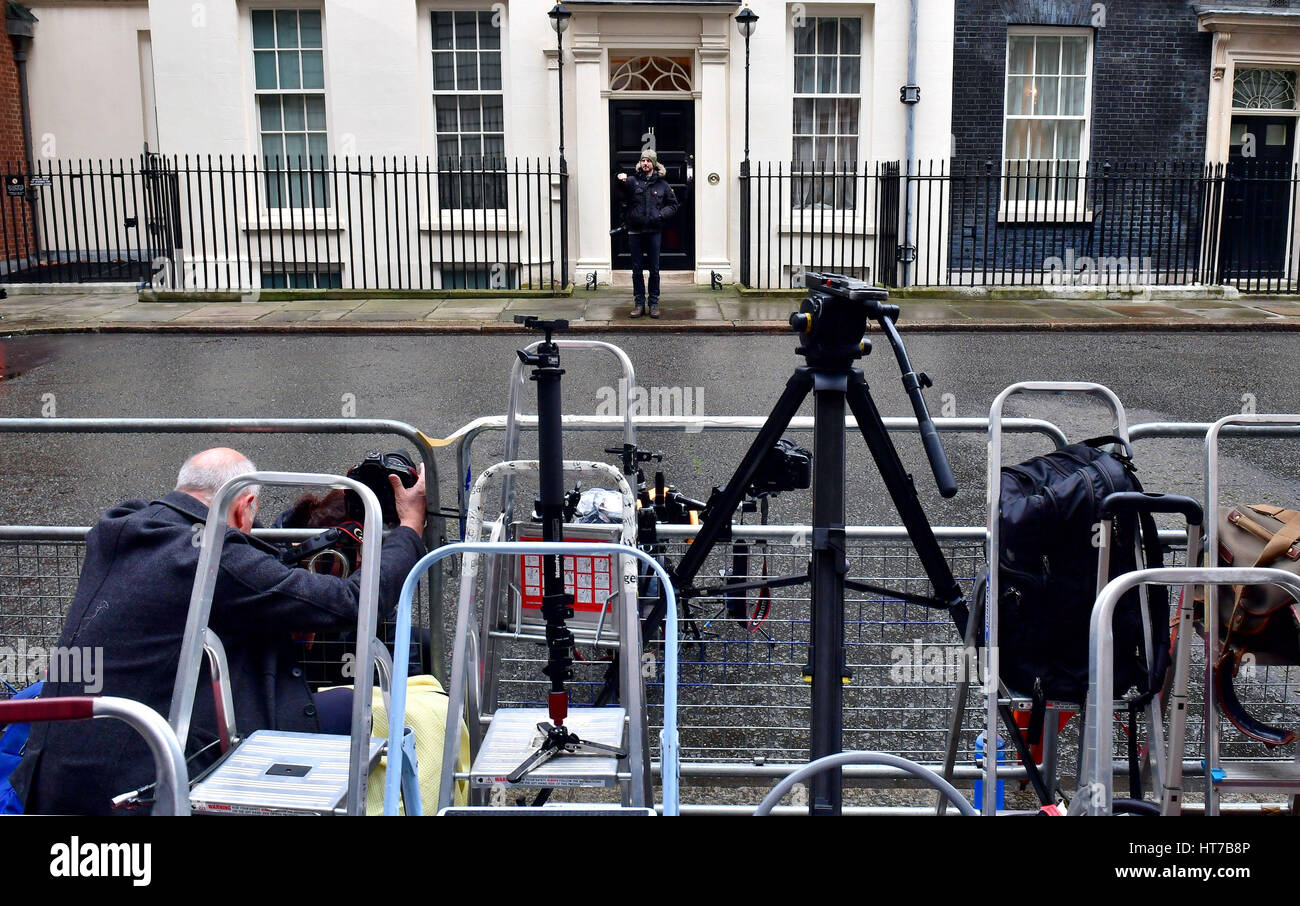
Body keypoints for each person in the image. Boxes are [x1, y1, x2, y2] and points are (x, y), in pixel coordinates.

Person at [10, 447, 427, 815]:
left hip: (53, 781)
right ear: (244, 506)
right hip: (139, 787)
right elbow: (352, 603)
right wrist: (408, 528)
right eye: (252, 521)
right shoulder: (213, 554)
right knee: (353, 707)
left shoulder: (121, 528)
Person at [615, 148, 679, 319]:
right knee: (636, 270)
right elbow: (619, 196)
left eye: (648, 161)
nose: (645, 163)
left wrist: (660, 214)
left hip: (654, 231)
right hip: (635, 231)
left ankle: (654, 304)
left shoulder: (663, 185)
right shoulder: (631, 182)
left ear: (654, 164)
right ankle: (638, 304)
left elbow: (673, 205)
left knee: (654, 270)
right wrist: (619, 180)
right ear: (640, 163)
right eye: (643, 160)